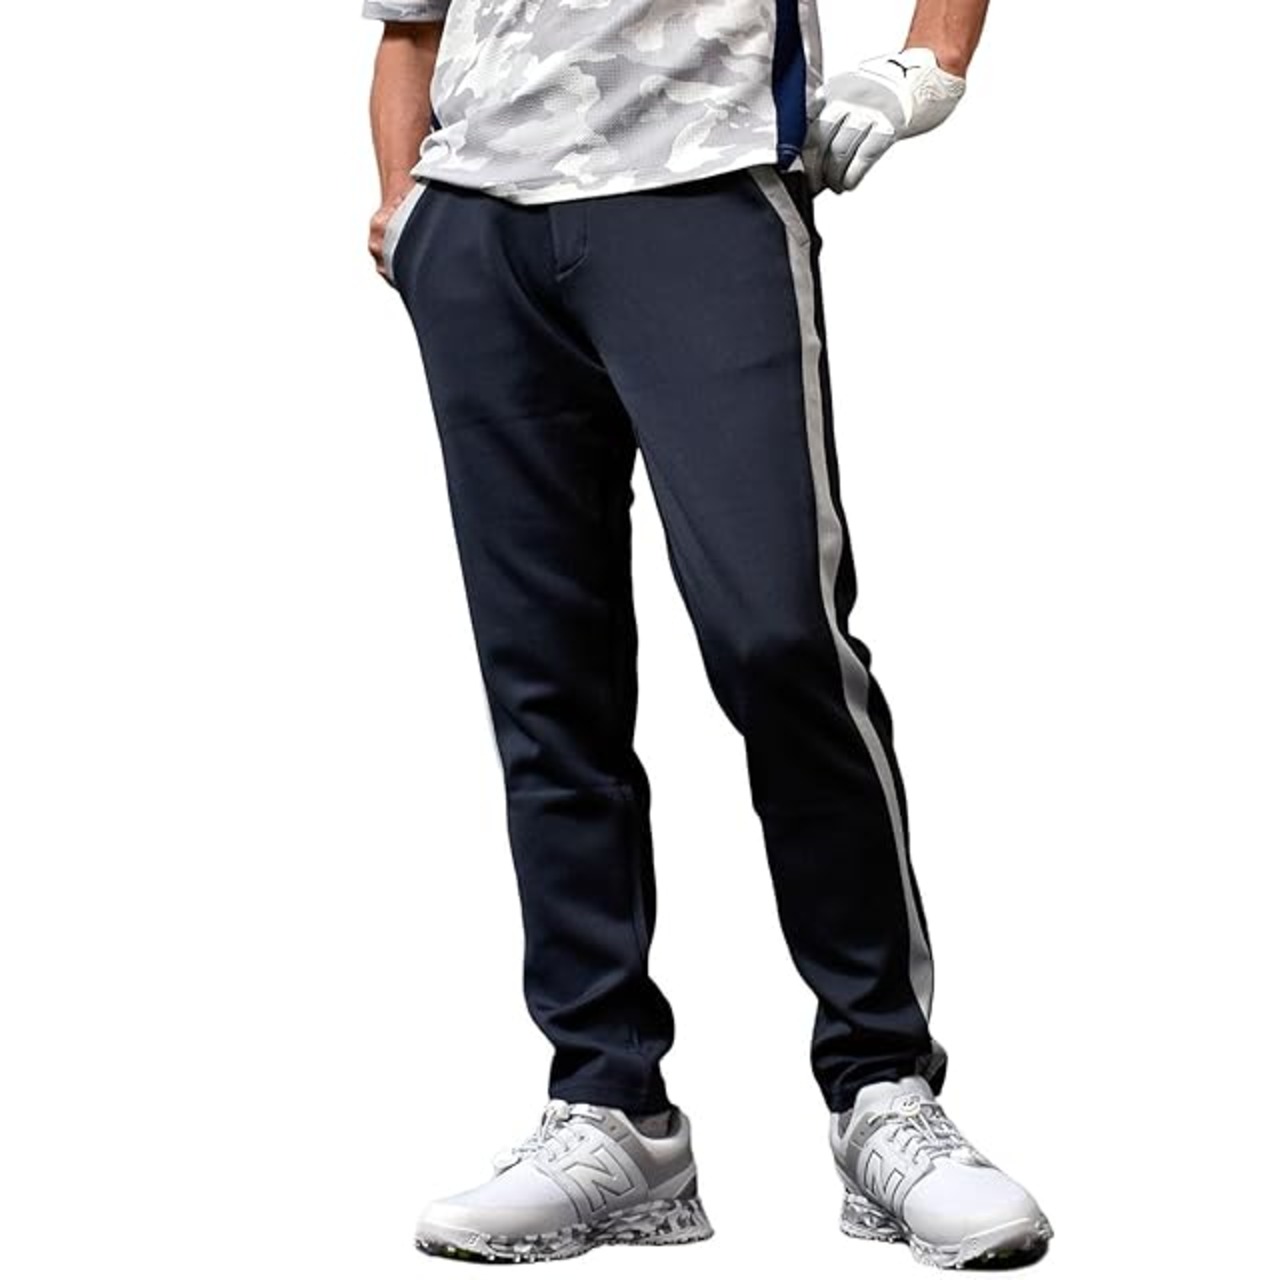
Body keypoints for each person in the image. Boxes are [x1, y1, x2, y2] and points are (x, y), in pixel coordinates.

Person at [364, 0, 1052, 1268]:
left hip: (699, 187)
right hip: (476, 229)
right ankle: (608, 1104)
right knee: (545, 683)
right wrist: (406, 209)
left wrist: (930, 63)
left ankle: (881, 1087)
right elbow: (409, 26)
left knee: (777, 641)